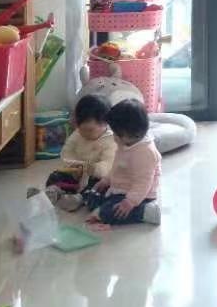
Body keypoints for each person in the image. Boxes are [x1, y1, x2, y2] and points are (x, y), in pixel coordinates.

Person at [92, 98, 161, 226]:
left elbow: (143, 182)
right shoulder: (126, 143)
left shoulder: (145, 152)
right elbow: (116, 167)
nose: (114, 137)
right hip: (120, 188)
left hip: (140, 197)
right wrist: (106, 180)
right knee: (94, 190)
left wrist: (130, 202)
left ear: (134, 134)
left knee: (107, 213)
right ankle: (92, 202)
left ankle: (145, 212)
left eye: (117, 134)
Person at [44, 94, 116, 212]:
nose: (85, 134)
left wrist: (95, 169)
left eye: (90, 130)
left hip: (95, 176)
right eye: (82, 129)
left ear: (105, 123)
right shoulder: (78, 134)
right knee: (55, 175)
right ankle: (54, 191)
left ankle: (80, 198)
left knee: (101, 186)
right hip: (76, 173)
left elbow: (109, 164)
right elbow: (66, 151)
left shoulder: (111, 140)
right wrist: (72, 165)